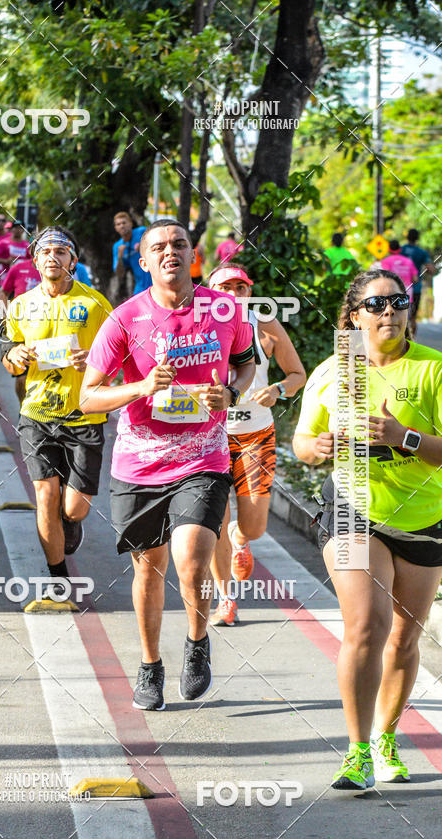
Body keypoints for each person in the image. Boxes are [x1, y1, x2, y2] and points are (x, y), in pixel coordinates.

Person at [81, 219, 256, 711]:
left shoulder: (225, 310)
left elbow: (246, 363)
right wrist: (140, 387)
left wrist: (232, 391)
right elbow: (88, 397)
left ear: (193, 254)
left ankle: (197, 642)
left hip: (203, 458)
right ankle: (150, 665)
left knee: (192, 560)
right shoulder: (124, 319)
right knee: (149, 569)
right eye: (158, 247)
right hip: (138, 465)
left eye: (179, 244)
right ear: (144, 261)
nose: (169, 252)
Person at [293, 269, 442, 791]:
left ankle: (385, 737)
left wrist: (405, 438)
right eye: (376, 305)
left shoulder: (433, 369)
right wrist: (318, 448)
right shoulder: (336, 370)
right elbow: (303, 443)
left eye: (398, 301)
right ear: (354, 316)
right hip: (352, 511)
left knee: (404, 637)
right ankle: (357, 753)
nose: (389, 312)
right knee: (367, 624)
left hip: (423, 518)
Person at [1, 226, 113, 601]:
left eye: (60, 251)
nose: (53, 257)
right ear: (35, 261)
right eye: (45, 252)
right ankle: (58, 580)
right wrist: (13, 356)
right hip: (37, 414)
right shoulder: (20, 305)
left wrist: (94, 360)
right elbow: (9, 357)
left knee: (75, 509)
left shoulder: (96, 304)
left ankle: (70, 519)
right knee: (45, 496)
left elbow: (122, 357)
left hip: (84, 414)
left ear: (73, 261)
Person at [207, 264, 306, 626]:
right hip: (211, 436)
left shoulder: (264, 323)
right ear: (211, 292)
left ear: (250, 292)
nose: (234, 294)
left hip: (256, 434)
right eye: (225, 287)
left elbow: (297, 375)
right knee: (215, 523)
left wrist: (278, 389)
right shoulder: (199, 324)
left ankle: (241, 538)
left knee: (254, 527)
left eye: (241, 287)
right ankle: (225, 599)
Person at [0, 247, 42, 405]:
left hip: (50, 327)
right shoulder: (18, 268)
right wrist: (5, 315)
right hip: (22, 328)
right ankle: (23, 409)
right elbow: (3, 292)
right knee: (22, 376)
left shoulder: (57, 271)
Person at [401, 228, 435, 334]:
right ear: (417, 238)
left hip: (400, 288)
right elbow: (431, 270)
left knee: (400, 315)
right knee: (413, 318)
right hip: (415, 288)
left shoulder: (401, 250)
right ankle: (412, 340)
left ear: (407, 237)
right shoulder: (421, 252)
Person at [112, 211, 152, 296]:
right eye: (118, 224)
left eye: (124, 223)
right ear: (115, 228)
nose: (122, 226)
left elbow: (159, 242)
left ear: (131, 224)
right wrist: (120, 257)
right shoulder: (117, 246)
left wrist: (144, 246)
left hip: (156, 282)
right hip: (141, 288)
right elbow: (120, 273)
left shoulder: (142, 232)